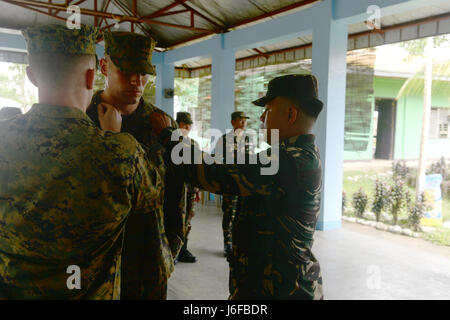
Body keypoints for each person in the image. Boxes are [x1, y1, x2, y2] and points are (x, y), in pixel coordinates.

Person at [0, 24, 162, 299]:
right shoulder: (121, 152)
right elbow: (151, 197)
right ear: (92, 76)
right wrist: (114, 139)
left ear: (31, 76)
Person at [152, 74, 324, 300]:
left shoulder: (289, 161)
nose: (262, 119)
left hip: (280, 289)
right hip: (271, 281)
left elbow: (214, 173)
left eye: (268, 111)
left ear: (291, 114)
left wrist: (168, 137)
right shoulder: (296, 155)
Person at [86, 31, 185, 299]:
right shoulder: (83, 120)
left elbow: (177, 191)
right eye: (126, 70)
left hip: (148, 262)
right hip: (94, 267)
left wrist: (172, 246)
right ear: (104, 66)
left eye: (142, 72)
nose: (135, 81)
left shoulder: (162, 125)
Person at [213, 111, 251, 258]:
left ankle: (238, 244)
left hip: (244, 184)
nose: (244, 124)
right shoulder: (224, 140)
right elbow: (216, 159)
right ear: (233, 122)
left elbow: (249, 159)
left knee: (242, 214)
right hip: (230, 183)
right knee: (229, 214)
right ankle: (227, 244)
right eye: (241, 121)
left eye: (245, 121)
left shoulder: (247, 139)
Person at [174, 111, 200, 264]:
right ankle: (174, 250)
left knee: (187, 220)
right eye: (185, 124)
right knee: (175, 218)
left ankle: (183, 249)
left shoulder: (193, 144)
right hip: (176, 188)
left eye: (189, 124)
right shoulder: (171, 142)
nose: (187, 127)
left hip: (190, 189)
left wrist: (197, 190)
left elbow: (197, 169)